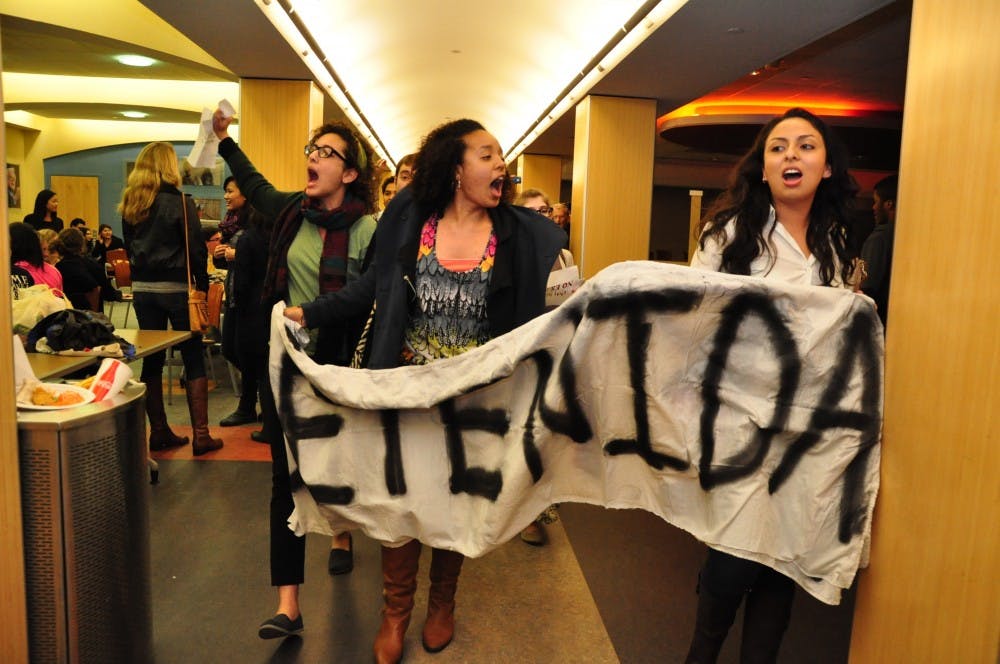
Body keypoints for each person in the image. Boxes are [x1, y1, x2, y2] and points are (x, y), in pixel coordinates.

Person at [283, 118, 566, 664]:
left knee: (453, 507)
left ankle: (442, 604)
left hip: (476, 405)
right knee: (399, 505)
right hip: (406, 395)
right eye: (487, 155)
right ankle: (395, 613)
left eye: (501, 155)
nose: (500, 164)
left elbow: (551, 313)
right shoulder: (413, 221)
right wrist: (307, 312)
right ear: (456, 168)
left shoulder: (516, 234)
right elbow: (371, 289)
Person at [685, 107, 858, 664]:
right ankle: (702, 651)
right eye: (778, 147)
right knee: (734, 559)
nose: (791, 155)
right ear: (762, 169)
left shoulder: (835, 242)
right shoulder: (729, 237)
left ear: (826, 167)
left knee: (786, 559)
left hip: (809, 433)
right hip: (741, 424)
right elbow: (693, 325)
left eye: (806, 146)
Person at [212, 108, 378, 639]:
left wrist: (314, 314)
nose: (314, 156)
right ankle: (289, 604)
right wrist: (225, 141)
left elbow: (366, 291)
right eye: (313, 148)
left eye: (327, 152)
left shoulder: (365, 228)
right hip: (286, 368)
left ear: (350, 173)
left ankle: (341, 532)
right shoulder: (291, 212)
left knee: (338, 471)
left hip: (339, 368)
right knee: (285, 479)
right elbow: (255, 186)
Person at [119, 141, 223, 457]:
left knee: (152, 359)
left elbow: (128, 247)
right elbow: (194, 249)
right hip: (178, 291)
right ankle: (201, 436)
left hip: (144, 291)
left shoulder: (130, 203)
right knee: (192, 356)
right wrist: (201, 289)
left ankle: (160, 431)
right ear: (168, 166)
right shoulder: (180, 201)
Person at [212, 176, 268, 427]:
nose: (226, 196)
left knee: (249, 352)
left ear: (245, 195)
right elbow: (226, 262)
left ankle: (249, 404)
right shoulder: (230, 225)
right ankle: (254, 396)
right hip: (234, 293)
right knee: (230, 349)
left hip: (252, 297)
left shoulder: (259, 221)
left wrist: (237, 254)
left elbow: (263, 257)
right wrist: (220, 256)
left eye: (230, 191)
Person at [53, 228, 123, 310]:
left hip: (62, 314)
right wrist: (118, 294)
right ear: (82, 244)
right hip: (90, 315)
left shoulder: (56, 268)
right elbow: (108, 293)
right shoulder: (92, 265)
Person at [860, 174, 897, 327]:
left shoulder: (879, 238)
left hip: (879, 320)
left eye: (876, 202)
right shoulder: (908, 236)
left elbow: (867, 285)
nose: (873, 208)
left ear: (888, 204)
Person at [11, 222, 63, 291]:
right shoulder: (54, 271)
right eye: (43, 249)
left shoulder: (13, 271)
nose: (46, 254)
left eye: (51, 250)